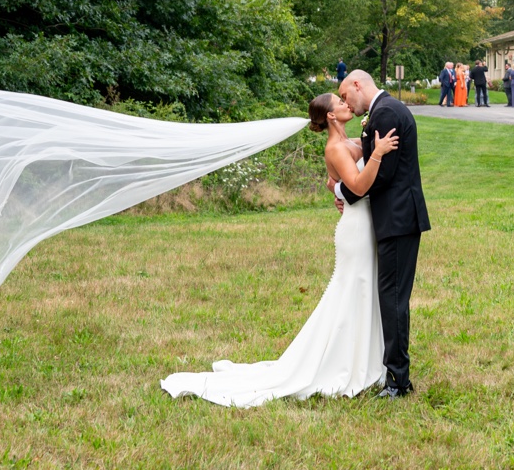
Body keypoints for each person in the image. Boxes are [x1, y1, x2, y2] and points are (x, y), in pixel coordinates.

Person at [162, 89, 401, 405]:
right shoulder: (335, 147)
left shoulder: (347, 143)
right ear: (331, 115)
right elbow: (357, 186)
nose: (346, 104)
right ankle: (342, 363)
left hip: (364, 223)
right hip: (355, 230)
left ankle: (366, 359)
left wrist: (340, 181)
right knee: (351, 289)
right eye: (340, 103)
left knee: (363, 289)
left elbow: (344, 178)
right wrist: (377, 155)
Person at [335, 71, 429, 399]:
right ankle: (395, 373)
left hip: (398, 218)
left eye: (346, 95)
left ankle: (398, 380)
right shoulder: (385, 110)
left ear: (359, 85)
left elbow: (383, 176)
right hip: (398, 217)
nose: (346, 102)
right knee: (392, 296)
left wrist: (344, 192)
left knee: (393, 298)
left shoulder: (386, 113)